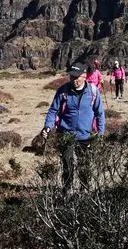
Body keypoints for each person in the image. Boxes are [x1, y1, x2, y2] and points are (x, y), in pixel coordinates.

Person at [41, 63, 106, 193]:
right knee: (67, 165)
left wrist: (100, 133)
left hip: (85, 136)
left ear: (84, 76)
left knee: (84, 165)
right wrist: (47, 127)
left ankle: (84, 190)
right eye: (71, 77)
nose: (74, 80)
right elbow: (53, 110)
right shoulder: (63, 90)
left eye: (77, 77)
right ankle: (67, 190)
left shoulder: (93, 92)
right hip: (66, 134)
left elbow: (100, 114)